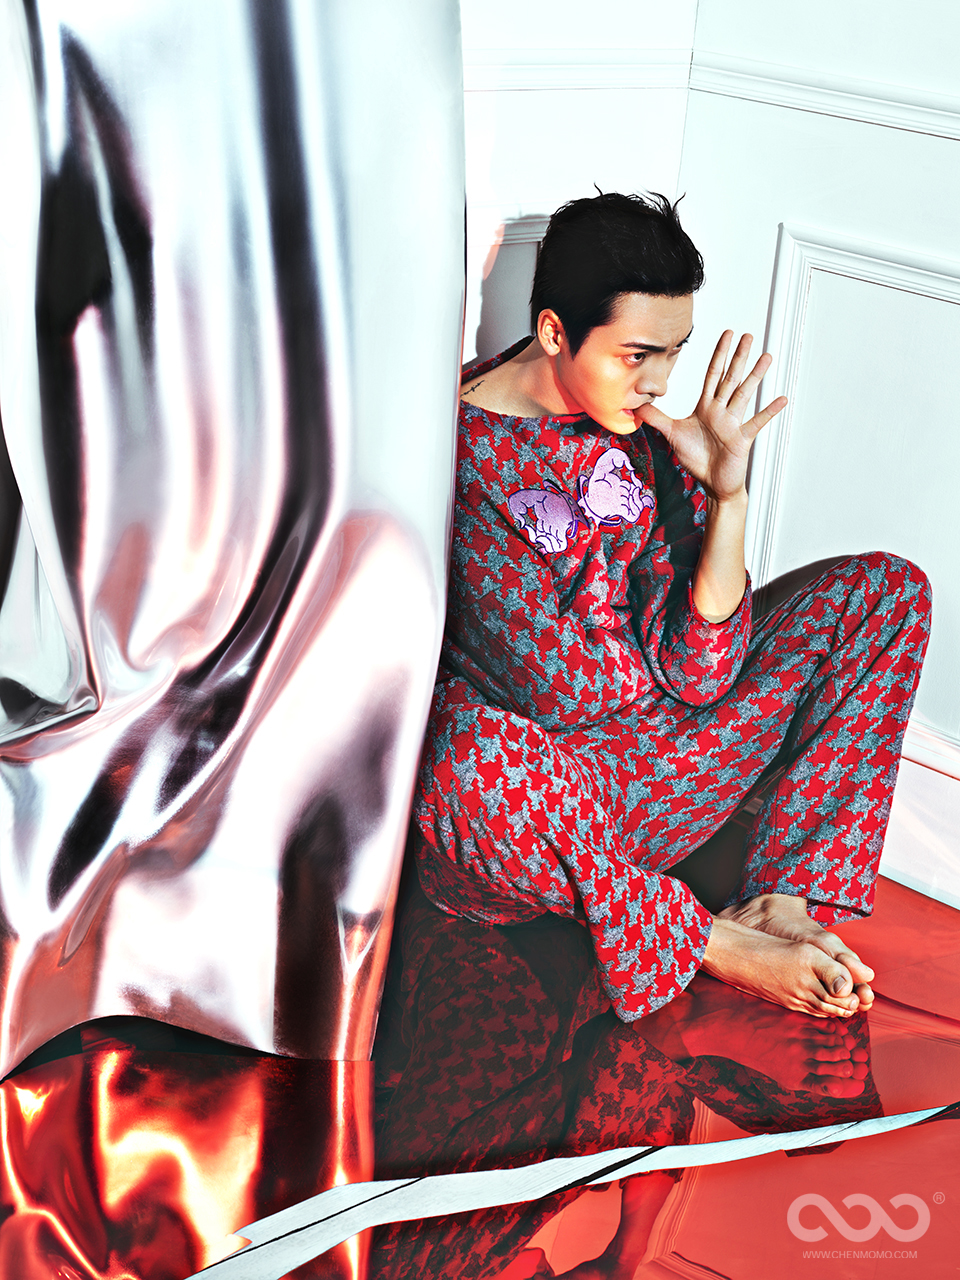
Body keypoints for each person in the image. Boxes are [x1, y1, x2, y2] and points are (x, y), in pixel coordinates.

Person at [409, 190, 931, 1025]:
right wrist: (651, 632)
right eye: (636, 355)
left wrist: (725, 496)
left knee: (885, 592)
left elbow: (703, 671)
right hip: (556, 808)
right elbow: (566, 694)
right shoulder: (456, 458)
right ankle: (710, 942)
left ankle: (779, 898)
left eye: (673, 353)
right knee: (460, 758)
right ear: (555, 332)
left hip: (671, 766)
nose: (657, 383)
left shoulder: (643, 433)